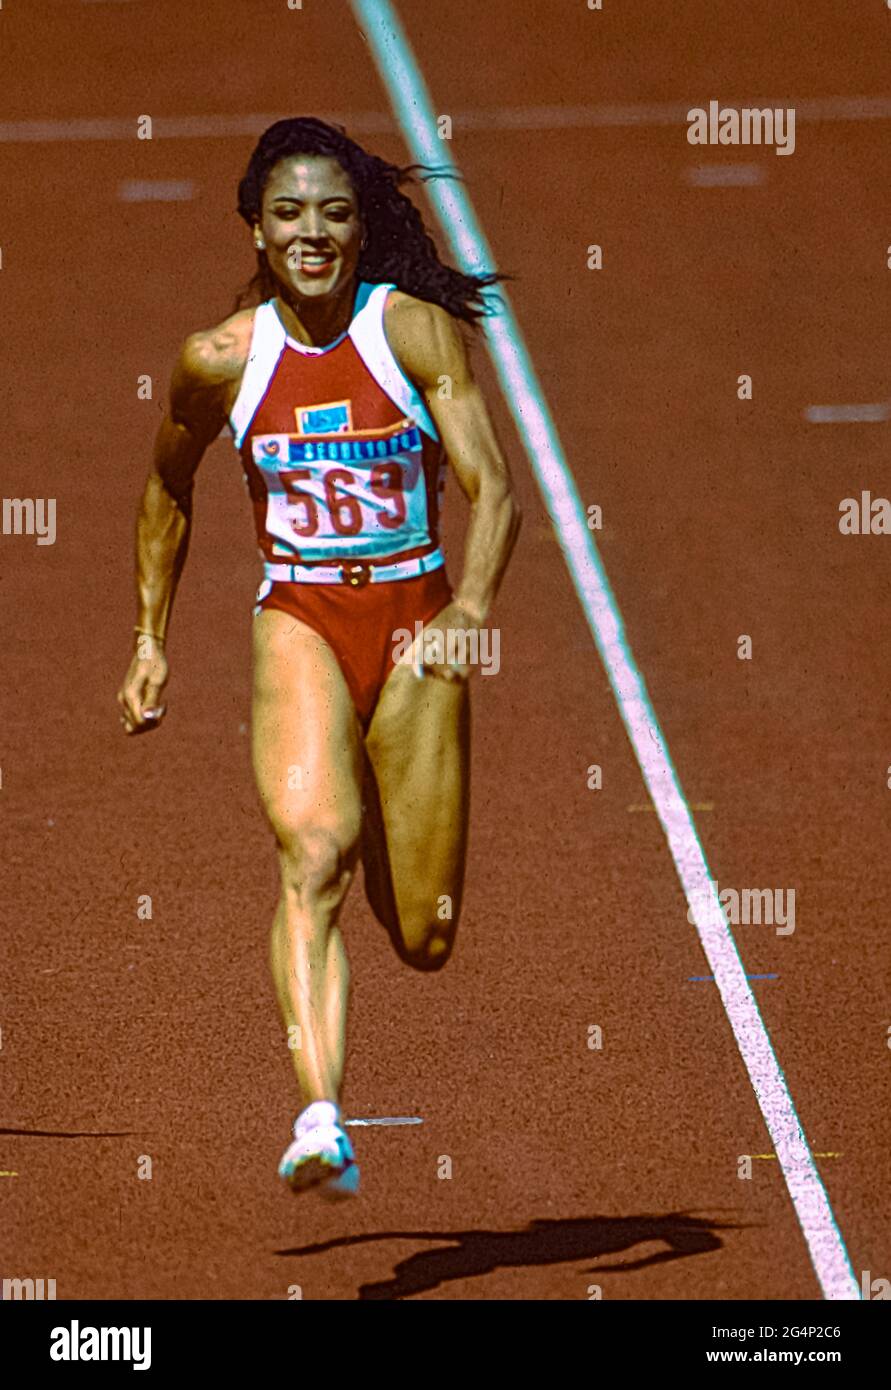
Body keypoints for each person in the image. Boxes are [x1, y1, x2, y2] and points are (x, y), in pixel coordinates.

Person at [117, 117, 521, 1198]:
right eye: (289, 212)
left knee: (426, 934)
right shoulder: (218, 361)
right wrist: (150, 640)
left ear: (359, 229)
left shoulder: (416, 333)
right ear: (254, 226)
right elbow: (168, 487)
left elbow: (493, 484)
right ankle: (319, 1117)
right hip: (298, 614)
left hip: (416, 620)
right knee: (312, 855)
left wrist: (472, 602)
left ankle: (385, 812)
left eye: (335, 213)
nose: (312, 232)